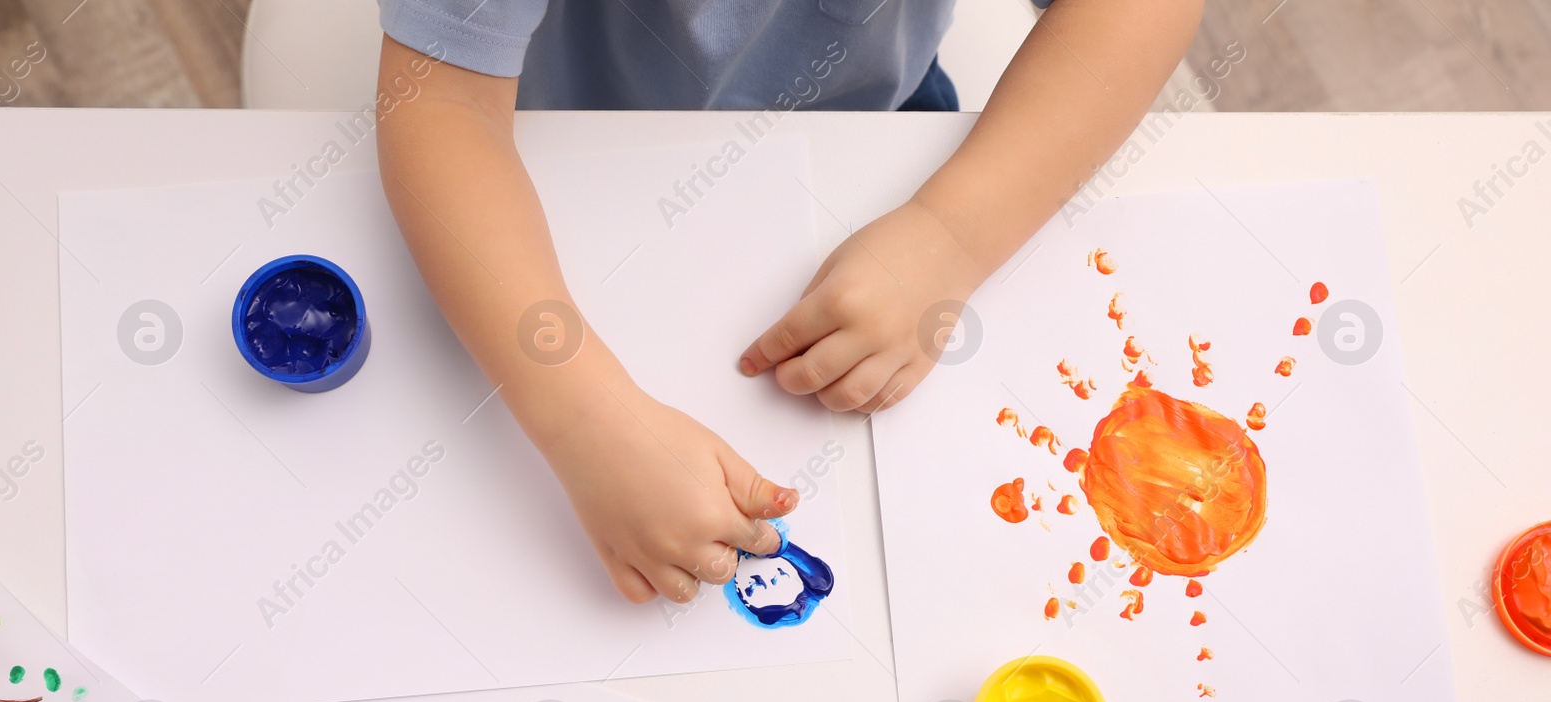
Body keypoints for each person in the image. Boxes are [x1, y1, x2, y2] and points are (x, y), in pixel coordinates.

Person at [374, 0, 1204, 607]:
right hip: (553, 157)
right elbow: (441, 107)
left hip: (871, 136)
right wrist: (580, 414)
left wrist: (952, 236)